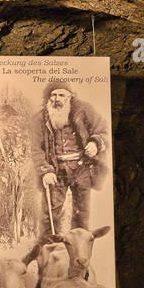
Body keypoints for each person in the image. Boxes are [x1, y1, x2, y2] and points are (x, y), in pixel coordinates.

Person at [36, 81, 109, 235]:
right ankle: (49, 250)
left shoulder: (84, 111)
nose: (57, 99)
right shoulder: (41, 118)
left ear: (70, 97)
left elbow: (104, 130)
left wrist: (95, 143)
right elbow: (35, 148)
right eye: (53, 95)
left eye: (61, 95)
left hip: (82, 168)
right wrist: (45, 171)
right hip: (56, 170)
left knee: (81, 213)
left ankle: (79, 252)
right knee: (50, 214)